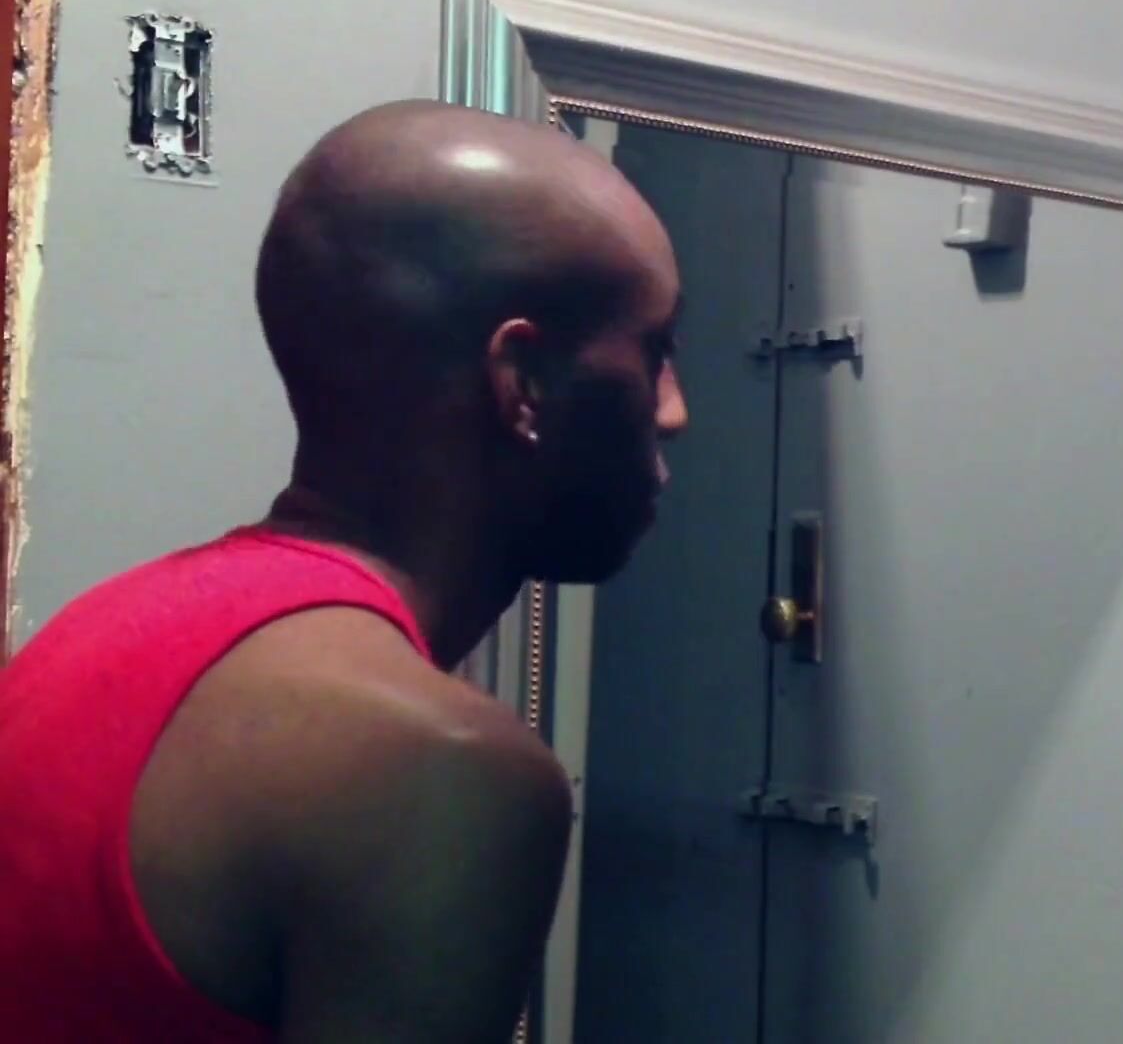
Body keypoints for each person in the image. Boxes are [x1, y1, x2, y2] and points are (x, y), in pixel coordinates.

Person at [0, 99, 687, 1042]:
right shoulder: (438, 765)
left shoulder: (106, 626)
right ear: (523, 384)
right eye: (655, 350)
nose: (674, 410)